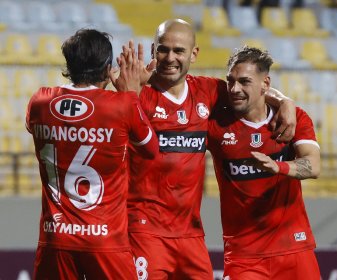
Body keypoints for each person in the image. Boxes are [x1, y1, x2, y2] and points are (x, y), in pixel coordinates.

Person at [115, 19, 297, 279]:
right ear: (153, 51)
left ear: (194, 54)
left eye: (179, 51)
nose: (170, 58)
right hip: (145, 230)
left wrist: (284, 101)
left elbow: (249, 90)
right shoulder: (137, 93)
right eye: (163, 50)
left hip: (191, 234)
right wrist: (126, 96)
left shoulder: (208, 91)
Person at [26, 28, 158, 279]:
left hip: (55, 238)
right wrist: (132, 94)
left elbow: (34, 126)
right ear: (108, 68)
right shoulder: (121, 104)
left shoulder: (40, 101)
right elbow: (150, 150)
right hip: (105, 240)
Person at [207, 46, 321, 279]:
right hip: (244, 256)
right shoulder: (216, 125)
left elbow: (313, 165)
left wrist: (277, 166)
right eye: (230, 81)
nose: (235, 89)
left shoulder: (294, 118)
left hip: (293, 247)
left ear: (265, 83)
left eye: (244, 81)